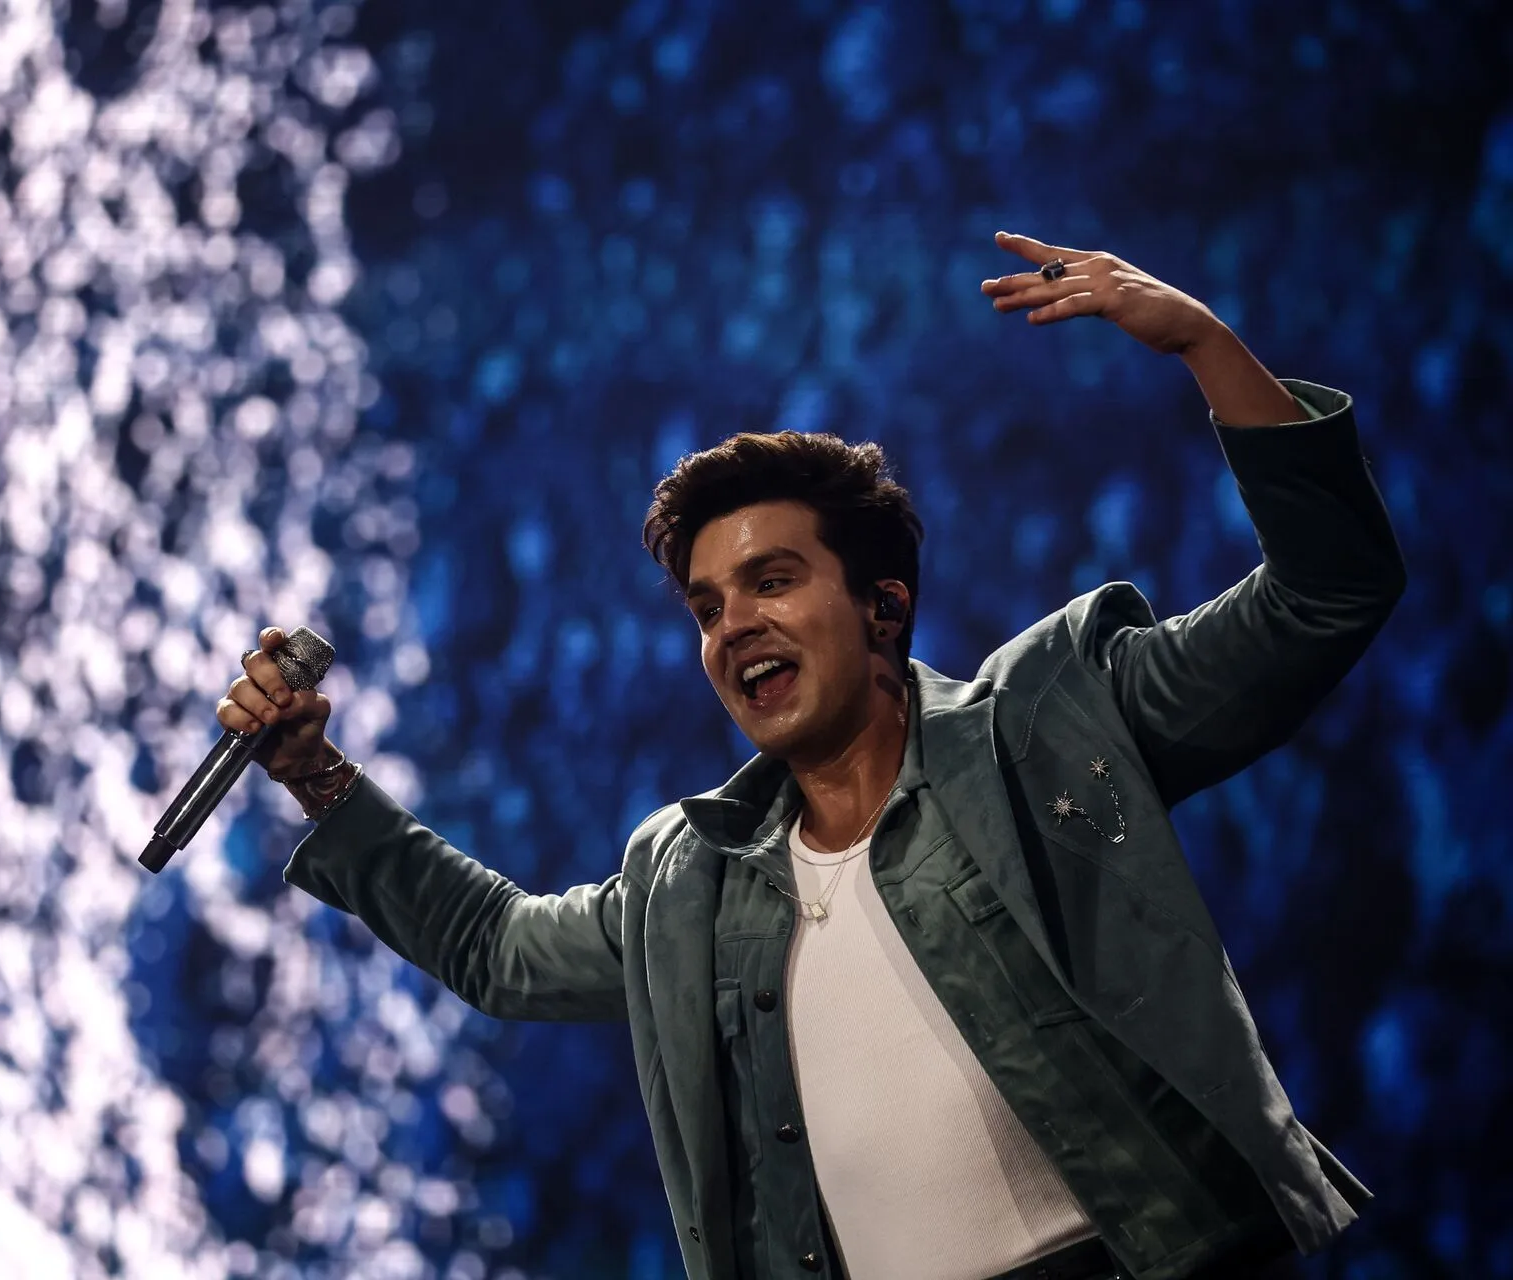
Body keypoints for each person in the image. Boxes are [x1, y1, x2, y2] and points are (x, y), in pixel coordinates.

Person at [215, 232, 1405, 1280]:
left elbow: (1326, 595)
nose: (733, 625)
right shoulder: (690, 881)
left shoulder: (1052, 719)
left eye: (772, 581)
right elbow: (498, 947)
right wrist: (316, 772)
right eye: (707, 607)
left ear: (883, 607)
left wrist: (1201, 342)